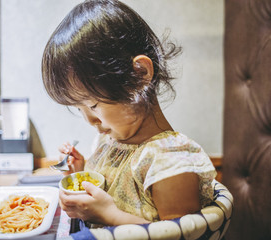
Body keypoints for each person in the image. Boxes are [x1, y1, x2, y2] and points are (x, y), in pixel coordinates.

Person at [41, 0, 216, 227]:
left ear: (139, 75)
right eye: (78, 108)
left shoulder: (169, 161)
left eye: (93, 105)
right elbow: (112, 190)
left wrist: (108, 215)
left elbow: (178, 234)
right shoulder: (108, 142)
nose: (90, 120)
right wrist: (81, 174)